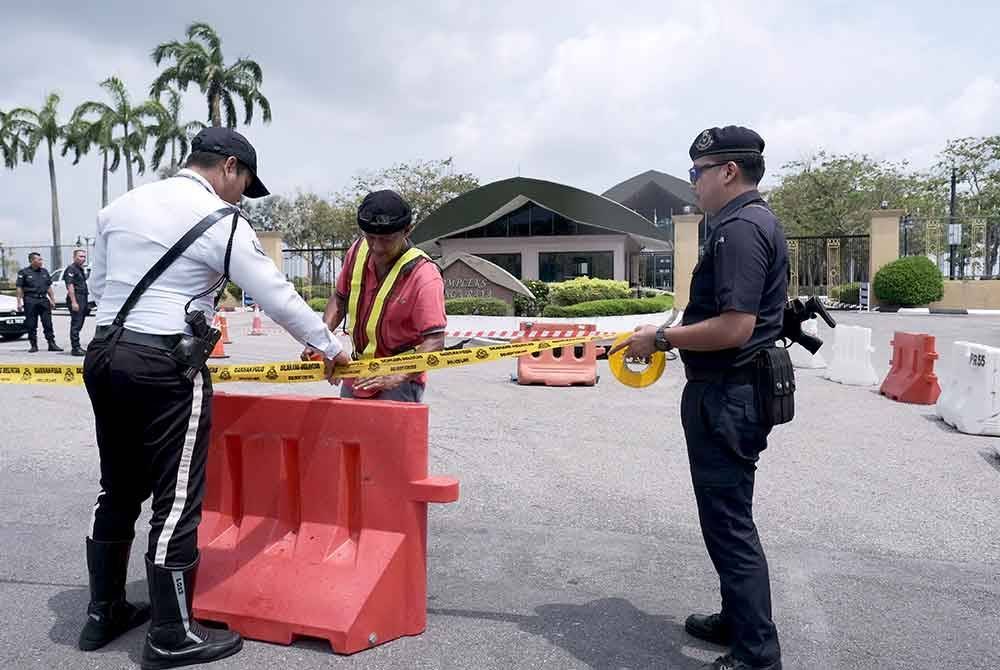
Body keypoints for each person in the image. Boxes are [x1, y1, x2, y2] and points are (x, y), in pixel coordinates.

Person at [80, 126, 350, 670]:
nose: (240, 195)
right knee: (176, 498)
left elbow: (102, 288)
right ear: (230, 166)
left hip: (104, 356)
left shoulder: (120, 207)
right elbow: (275, 293)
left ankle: (104, 611)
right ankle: (171, 634)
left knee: (117, 487)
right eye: (243, 183)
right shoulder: (220, 219)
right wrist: (329, 345)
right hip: (163, 366)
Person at [610, 126, 787, 670]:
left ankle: (757, 653)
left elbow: (734, 326)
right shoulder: (743, 224)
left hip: (729, 393)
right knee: (726, 517)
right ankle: (737, 619)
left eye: (698, 173)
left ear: (727, 171)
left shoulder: (739, 230)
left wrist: (660, 339)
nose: (694, 185)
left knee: (729, 525)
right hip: (731, 389)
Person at [314, 189, 446, 402]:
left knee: (388, 436)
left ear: (407, 231)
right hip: (356, 371)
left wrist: (396, 375)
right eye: (370, 237)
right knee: (347, 434)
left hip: (399, 383)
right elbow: (339, 299)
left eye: (386, 239)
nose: (376, 247)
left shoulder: (424, 275)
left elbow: (436, 341)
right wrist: (322, 342)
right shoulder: (357, 251)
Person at [15, 252, 63, 352]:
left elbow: (48, 287)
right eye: (39, 259)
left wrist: (52, 300)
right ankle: (33, 345)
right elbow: (19, 288)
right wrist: (19, 302)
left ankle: (51, 344)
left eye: (41, 259)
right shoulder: (23, 272)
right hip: (30, 300)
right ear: (32, 260)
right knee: (31, 324)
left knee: (48, 323)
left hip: (43, 300)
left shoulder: (44, 272)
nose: (41, 261)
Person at [64, 248, 90, 356]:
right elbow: (70, 286)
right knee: (76, 323)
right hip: (76, 298)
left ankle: (77, 346)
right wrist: (74, 302)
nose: (83, 258)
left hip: (83, 298)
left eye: (84, 256)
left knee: (80, 323)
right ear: (74, 257)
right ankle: (75, 348)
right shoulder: (71, 269)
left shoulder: (80, 269)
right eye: (80, 256)